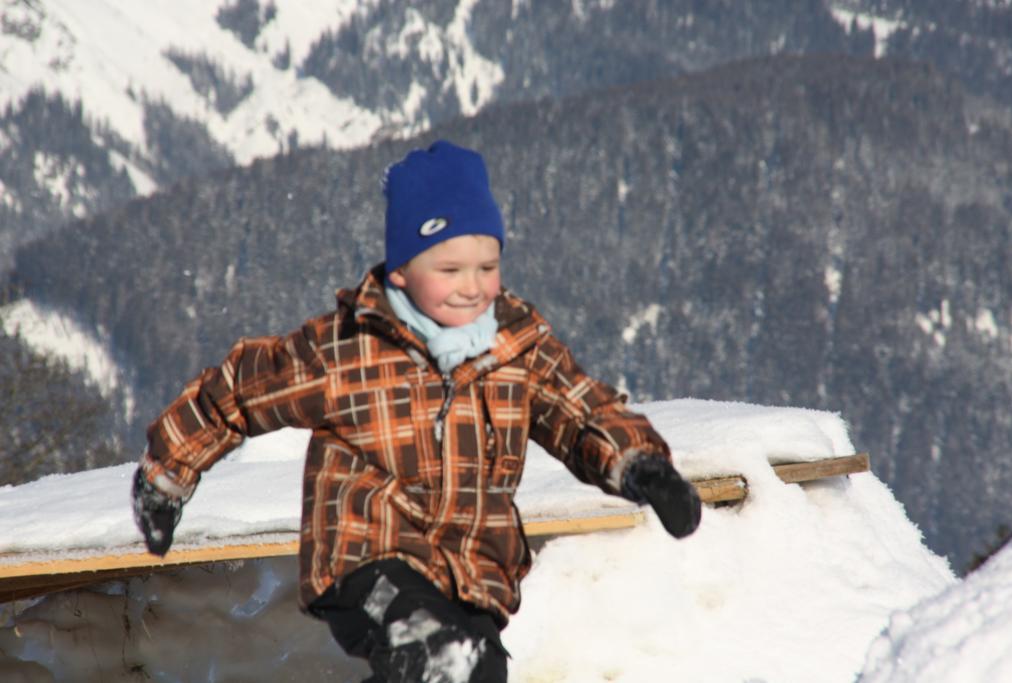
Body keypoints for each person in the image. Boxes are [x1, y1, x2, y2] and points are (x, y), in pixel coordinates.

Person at [132, 140, 702, 682]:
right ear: (401, 270)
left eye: (486, 266)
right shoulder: (350, 348)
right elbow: (237, 392)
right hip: (365, 560)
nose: (471, 287)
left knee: (475, 670)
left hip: (474, 571)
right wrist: (165, 477)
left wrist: (640, 464)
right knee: (435, 653)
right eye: (449, 270)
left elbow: (580, 411)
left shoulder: (516, 345)